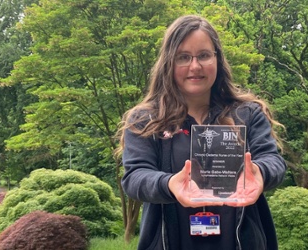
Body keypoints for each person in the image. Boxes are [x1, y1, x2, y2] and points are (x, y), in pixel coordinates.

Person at [119, 14, 286, 250]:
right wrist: (168, 185)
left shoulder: (248, 113)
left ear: (217, 59)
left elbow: (274, 162)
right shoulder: (146, 120)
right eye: (183, 57)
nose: (195, 66)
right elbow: (134, 177)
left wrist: (260, 172)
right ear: (169, 62)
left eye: (204, 55)